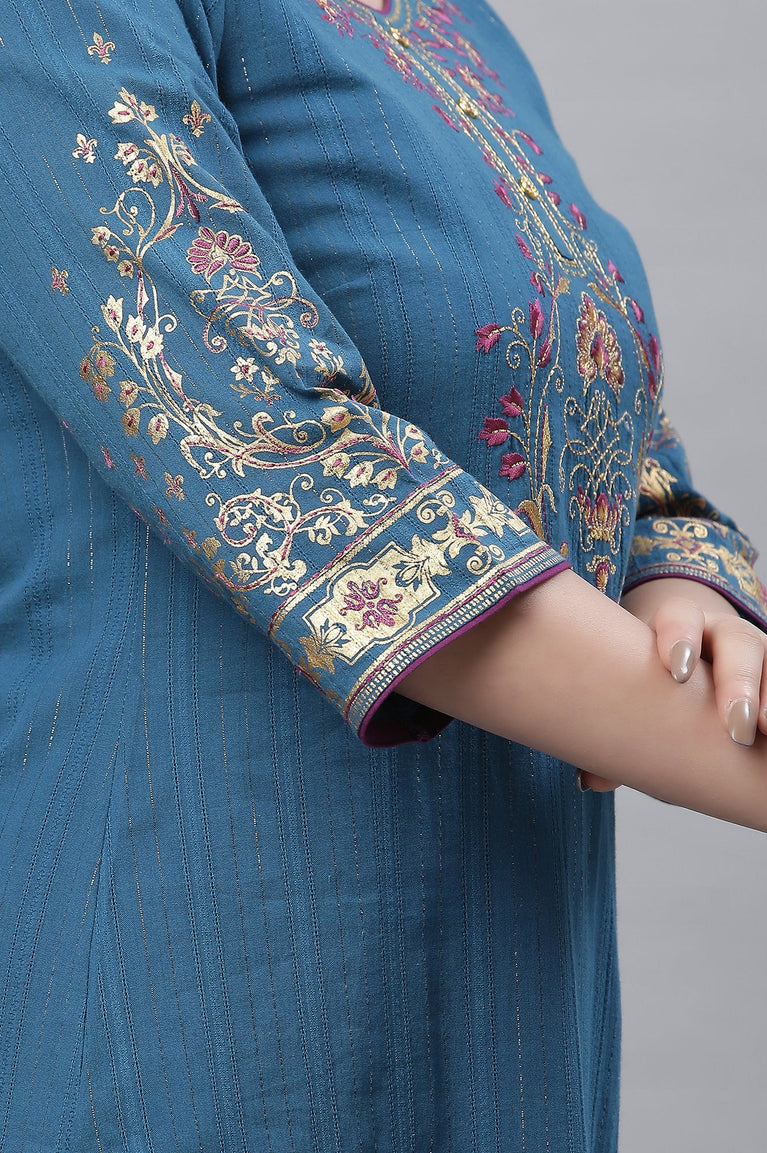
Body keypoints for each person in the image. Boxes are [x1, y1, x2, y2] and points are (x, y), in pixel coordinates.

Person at [0, 0, 765, 1149]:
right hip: (212, 956)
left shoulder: (451, 21)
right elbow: (276, 467)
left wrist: (671, 567)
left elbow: (566, 369)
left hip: (508, 966)